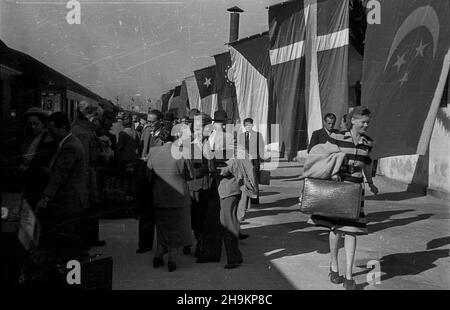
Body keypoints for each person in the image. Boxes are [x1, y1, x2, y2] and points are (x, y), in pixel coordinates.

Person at [308, 106, 379, 290]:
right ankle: (334, 266)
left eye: (368, 122)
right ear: (353, 120)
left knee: (352, 230)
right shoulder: (338, 137)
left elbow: (367, 166)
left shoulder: (368, 142)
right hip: (338, 186)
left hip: (356, 188)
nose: (366, 125)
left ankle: (348, 275)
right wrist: (330, 173)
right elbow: (324, 157)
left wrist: (370, 183)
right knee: (336, 228)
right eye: (363, 122)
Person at [36, 112, 88, 276]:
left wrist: (46, 197)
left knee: (68, 246)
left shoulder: (70, 146)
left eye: (52, 129)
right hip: (71, 201)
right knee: (68, 244)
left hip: (68, 203)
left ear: (63, 127)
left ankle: (71, 280)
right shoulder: (68, 143)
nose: (49, 133)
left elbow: (60, 174)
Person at [147, 125, 194, 272]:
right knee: (176, 228)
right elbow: (190, 175)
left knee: (161, 227)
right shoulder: (182, 153)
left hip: (160, 195)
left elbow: (148, 175)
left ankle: (158, 255)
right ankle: (172, 258)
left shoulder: (153, 152)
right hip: (178, 197)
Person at [71, 100, 105, 248]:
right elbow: (84, 162)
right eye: (98, 119)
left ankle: (89, 239)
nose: (100, 123)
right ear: (91, 117)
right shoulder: (83, 134)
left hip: (87, 178)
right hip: (85, 180)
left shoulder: (83, 131)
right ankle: (87, 240)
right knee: (88, 209)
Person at [135, 109, 167, 254]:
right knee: (145, 213)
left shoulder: (166, 135)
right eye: (148, 121)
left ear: (160, 121)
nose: (150, 124)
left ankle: (163, 245)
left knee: (161, 213)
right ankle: (144, 244)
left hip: (160, 177)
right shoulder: (146, 132)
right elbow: (141, 151)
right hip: (146, 176)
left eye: (153, 121)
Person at [18, 107, 57, 211]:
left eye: (35, 124)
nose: (32, 127)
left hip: (39, 183)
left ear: (43, 123)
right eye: (30, 124)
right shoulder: (27, 138)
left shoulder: (48, 139)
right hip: (27, 181)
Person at [237, 118, 265, 209]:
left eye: (250, 125)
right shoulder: (241, 136)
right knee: (246, 180)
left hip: (254, 161)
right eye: (246, 125)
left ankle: (255, 200)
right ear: (244, 126)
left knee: (254, 180)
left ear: (252, 125)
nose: (248, 126)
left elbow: (261, 149)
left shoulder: (258, 135)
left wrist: (262, 161)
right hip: (244, 161)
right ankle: (246, 201)